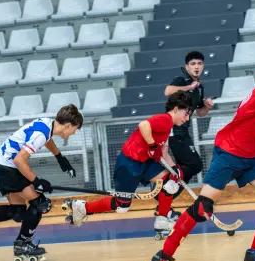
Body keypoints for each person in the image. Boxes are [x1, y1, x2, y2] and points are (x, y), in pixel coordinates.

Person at [142, 45, 255, 261]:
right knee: (202, 208)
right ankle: (161, 259)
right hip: (229, 152)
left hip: (250, 154)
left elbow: (252, 124)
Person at [0, 104, 83, 261]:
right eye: (75, 129)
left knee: (17, 212)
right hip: (8, 168)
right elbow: (19, 159)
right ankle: (23, 244)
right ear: (68, 125)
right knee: (40, 204)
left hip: (0, 165)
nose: (74, 132)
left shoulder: (48, 124)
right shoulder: (41, 134)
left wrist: (60, 157)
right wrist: (36, 181)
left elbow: (47, 140)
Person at [64, 91, 195, 240]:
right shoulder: (165, 120)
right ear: (176, 109)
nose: (187, 118)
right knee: (121, 206)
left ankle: (162, 220)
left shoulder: (168, 126)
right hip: (129, 163)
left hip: (144, 163)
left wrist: (175, 169)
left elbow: (164, 152)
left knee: (170, 182)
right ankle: (82, 208)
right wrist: (152, 146)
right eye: (186, 114)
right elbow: (143, 125)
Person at [160, 51, 214, 218]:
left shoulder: (200, 88)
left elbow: (200, 113)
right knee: (194, 165)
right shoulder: (181, 80)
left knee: (190, 167)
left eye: (199, 63)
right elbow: (167, 91)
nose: (196, 66)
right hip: (174, 132)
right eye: (193, 64)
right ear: (187, 67)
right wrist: (188, 87)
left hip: (184, 132)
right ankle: (166, 195)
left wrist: (207, 107)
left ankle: (166, 196)